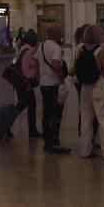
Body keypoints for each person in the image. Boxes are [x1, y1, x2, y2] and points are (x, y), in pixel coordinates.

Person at [75, 24, 104, 161]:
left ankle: (85, 150)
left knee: (86, 119)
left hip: (84, 87)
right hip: (98, 86)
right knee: (103, 119)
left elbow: (73, 69)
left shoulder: (80, 49)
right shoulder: (101, 50)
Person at [37, 23, 70, 154]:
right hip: (53, 85)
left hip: (44, 84)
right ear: (55, 34)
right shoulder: (55, 47)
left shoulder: (42, 46)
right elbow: (56, 64)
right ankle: (53, 142)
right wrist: (61, 78)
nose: (62, 34)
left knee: (46, 113)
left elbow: (35, 62)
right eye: (60, 32)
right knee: (55, 114)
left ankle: (48, 141)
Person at [15, 29, 42, 138]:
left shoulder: (23, 48)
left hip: (20, 82)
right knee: (28, 105)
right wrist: (32, 79)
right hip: (26, 82)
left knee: (24, 105)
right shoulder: (30, 51)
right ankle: (32, 131)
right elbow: (27, 69)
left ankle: (32, 130)